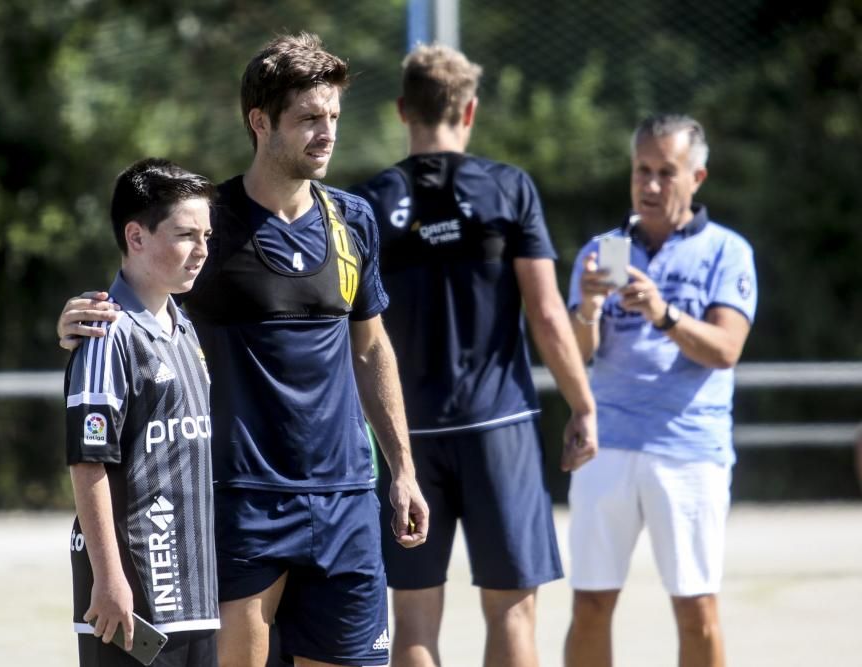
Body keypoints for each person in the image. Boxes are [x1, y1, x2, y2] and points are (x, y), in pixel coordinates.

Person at [58, 33, 429, 667]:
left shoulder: (352, 220)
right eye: (309, 118)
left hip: (347, 500)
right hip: (241, 503)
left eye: (333, 116)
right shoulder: (210, 223)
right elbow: (138, 300)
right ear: (261, 123)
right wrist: (77, 321)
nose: (326, 132)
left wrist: (403, 470)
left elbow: (370, 352)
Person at [351, 44, 598, 667]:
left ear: (403, 108)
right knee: (512, 610)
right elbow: (546, 314)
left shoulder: (366, 204)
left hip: (405, 437)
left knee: (412, 617)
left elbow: (351, 334)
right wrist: (582, 405)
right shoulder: (509, 187)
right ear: (470, 111)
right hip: (499, 427)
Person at [564, 114, 757, 667]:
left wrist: (662, 312)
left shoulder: (728, 251)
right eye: (641, 171)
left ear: (697, 177)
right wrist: (587, 308)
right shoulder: (602, 251)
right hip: (609, 445)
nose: (649, 185)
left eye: (665, 173)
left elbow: (725, 348)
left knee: (697, 610)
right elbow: (576, 355)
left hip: (689, 450)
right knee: (591, 605)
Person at [66, 158, 219, 667]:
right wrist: (108, 577)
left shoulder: (185, 328)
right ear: (136, 236)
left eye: (206, 236)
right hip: (134, 597)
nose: (201, 251)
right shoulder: (104, 331)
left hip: (194, 592)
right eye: (185, 235)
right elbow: (88, 462)